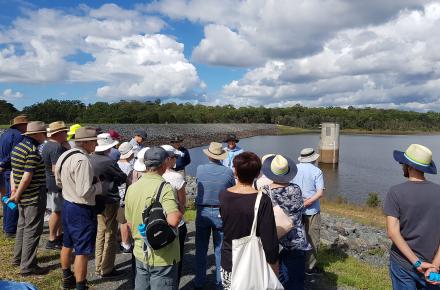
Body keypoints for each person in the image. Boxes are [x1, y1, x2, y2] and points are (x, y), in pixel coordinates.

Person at [219, 152, 279, 289]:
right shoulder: (262, 200)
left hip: (229, 258)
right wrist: (274, 266)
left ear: (235, 171)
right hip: (254, 261)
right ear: (258, 174)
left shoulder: (223, 195)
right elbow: (269, 239)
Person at [125, 147, 182, 290]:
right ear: (164, 164)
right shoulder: (164, 187)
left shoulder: (132, 188)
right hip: (162, 254)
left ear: (145, 164)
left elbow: (130, 223)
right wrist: (180, 210)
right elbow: (174, 220)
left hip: (140, 252)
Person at [384, 144, 440, 289]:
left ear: (409, 166)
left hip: (403, 264)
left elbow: (392, 233)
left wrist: (417, 263)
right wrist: (435, 266)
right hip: (432, 266)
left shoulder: (395, 192)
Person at [55, 127, 103, 290]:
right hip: (81, 209)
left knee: (67, 243)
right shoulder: (82, 160)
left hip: (67, 204)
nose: (96, 144)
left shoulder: (65, 154)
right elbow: (84, 192)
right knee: (82, 250)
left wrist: (70, 188)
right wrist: (99, 187)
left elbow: (58, 181)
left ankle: (67, 277)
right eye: (94, 141)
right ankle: (81, 285)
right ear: (86, 142)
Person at [262, 154, 311, 290]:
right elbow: (300, 210)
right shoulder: (295, 188)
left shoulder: (266, 191)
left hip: (276, 240)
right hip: (297, 239)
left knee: (279, 278)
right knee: (297, 280)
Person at [194, 142, 235, 290]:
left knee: (201, 249)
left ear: (209, 155)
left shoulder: (200, 169)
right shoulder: (228, 172)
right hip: (221, 212)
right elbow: (231, 191)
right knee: (220, 250)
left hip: (203, 212)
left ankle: (199, 282)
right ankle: (220, 283)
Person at [9, 121, 48, 276]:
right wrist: (17, 194)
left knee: (22, 226)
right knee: (32, 230)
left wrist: (15, 191)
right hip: (33, 195)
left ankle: (17, 258)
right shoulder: (32, 150)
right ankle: (28, 266)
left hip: (21, 193)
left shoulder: (17, 147)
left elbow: (14, 172)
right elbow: (27, 176)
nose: (45, 136)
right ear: (37, 134)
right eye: (44, 133)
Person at [90, 133, 127, 278]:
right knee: (110, 234)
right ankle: (107, 268)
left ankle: (98, 265)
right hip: (110, 199)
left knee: (100, 232)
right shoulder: (108, 161)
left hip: (96, 198)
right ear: (109, 148)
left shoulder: (90, 158)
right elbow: (122, 177)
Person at [293, 148, 325, 274]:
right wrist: (307, 202)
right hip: (312, 211)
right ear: (313, 159)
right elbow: (320, 193)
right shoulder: (317, 171)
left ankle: (297, 264)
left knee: (297, 237)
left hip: (296, 210)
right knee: (313, 238)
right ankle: (310, 268)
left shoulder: (294, 168)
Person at [41, 121, 70, 250]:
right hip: (55, 183)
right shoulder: (56, 147)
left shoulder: (49, 145)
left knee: (58, 210)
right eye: (65, 132)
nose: (67, 134)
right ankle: (52, 239)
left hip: (49, 182)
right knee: (57, 211)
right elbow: (55, 168)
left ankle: (58, 235)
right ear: (59, 133)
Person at [161, 144, 187, 284]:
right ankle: (174, 283)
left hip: (157, 220)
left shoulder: (147, 175)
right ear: (169, 159)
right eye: (175, 157)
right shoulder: (177, 177)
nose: (176, 159)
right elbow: (182, 201)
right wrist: (181, 212)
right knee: (177, 256)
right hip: (175, 221)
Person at [0, 115, 28, 238]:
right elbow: (15, 153)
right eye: (26, 124)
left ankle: (6, 225)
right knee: (14, 198)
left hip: (5, 169)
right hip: (11, 170)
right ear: (21, 125)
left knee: (7, 198)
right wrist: (3, 163)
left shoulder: (5, 134)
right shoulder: (19, 136)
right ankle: (11, 229)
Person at [116, 142, 135, 254]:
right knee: (127, 222)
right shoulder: (129, 167)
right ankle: (126, 244)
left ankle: (125, 243)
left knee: (122, 222)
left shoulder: (116, 164)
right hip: (126, 197)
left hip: (117, 196)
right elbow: (131, 183)